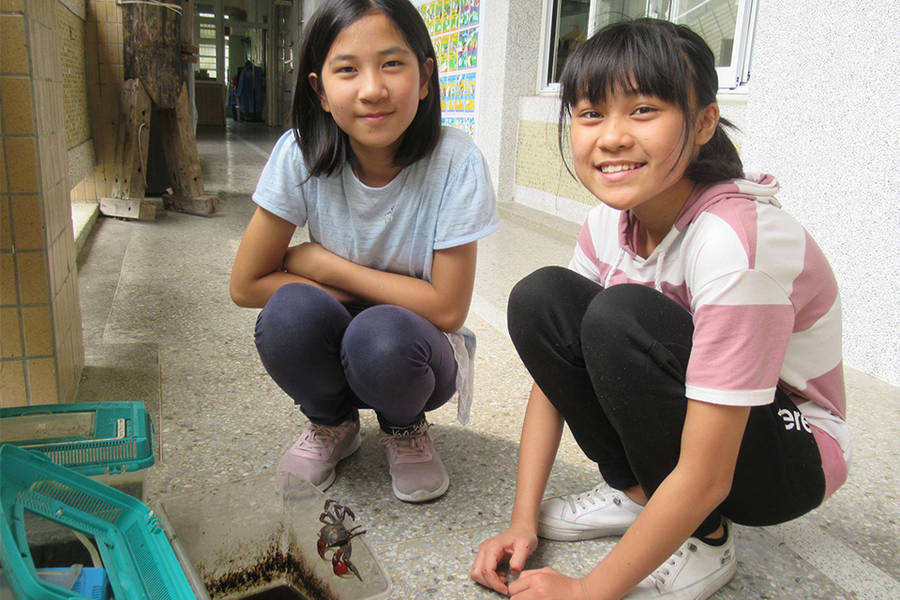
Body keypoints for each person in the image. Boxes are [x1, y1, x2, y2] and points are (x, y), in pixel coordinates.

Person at [471, 18, 848, 599]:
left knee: (620, 318)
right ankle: (641, 494)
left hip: (789, 454)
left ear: (704, 122)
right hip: (707, 425)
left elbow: (710, 472)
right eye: (591, 113)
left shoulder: (734, 243)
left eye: (643, 110)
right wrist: (522, 521)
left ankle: (707, 537)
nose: (612, 137)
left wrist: (586, 591)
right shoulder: (609, 222)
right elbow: (554, 375)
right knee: (543, 299)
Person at [230, 0, 498, 503]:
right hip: (336, 340)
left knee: (381, 334)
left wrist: (326, 265)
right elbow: (246, 286)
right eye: (347, 69)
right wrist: (337, 293)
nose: (372, 89)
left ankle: (404, 427)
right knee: (289, 314)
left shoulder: (456, 161)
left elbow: (447, 309)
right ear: (320, 91)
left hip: (414, 351)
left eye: (392, 63)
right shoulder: (299, 153)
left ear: (425, 78)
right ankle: (332, 422)